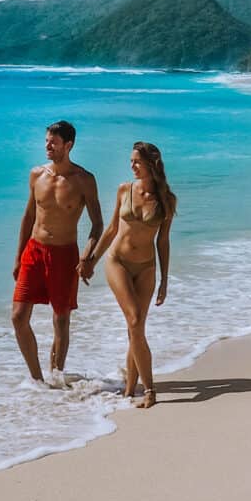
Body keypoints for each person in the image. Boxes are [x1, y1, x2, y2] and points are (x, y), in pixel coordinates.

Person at [11, 120, 103, 386]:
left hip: (65, 254)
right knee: (18, 317)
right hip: (34, 251)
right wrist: (18, 257)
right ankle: (37, 380)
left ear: (68, 145)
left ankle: (55, 376)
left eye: (53, 142)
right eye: (46, 141)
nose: (47, 146)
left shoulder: (84, 180)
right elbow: (29, 216)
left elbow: (97, 224)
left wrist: (87, 257)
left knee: (61, 319)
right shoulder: (36, 174)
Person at [88, 141, 176, 408]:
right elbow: (113, 228)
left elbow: (163, 241)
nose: (132, 166)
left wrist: (164, 279)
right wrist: (91, 259)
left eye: (137, 161)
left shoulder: (166, 200)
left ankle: (128, 391)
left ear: (151, 164)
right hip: (118, 262)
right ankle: (149, 390)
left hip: (146, 266)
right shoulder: (124, 190)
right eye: (131, 161)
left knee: (135, 329)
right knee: (135, 321)